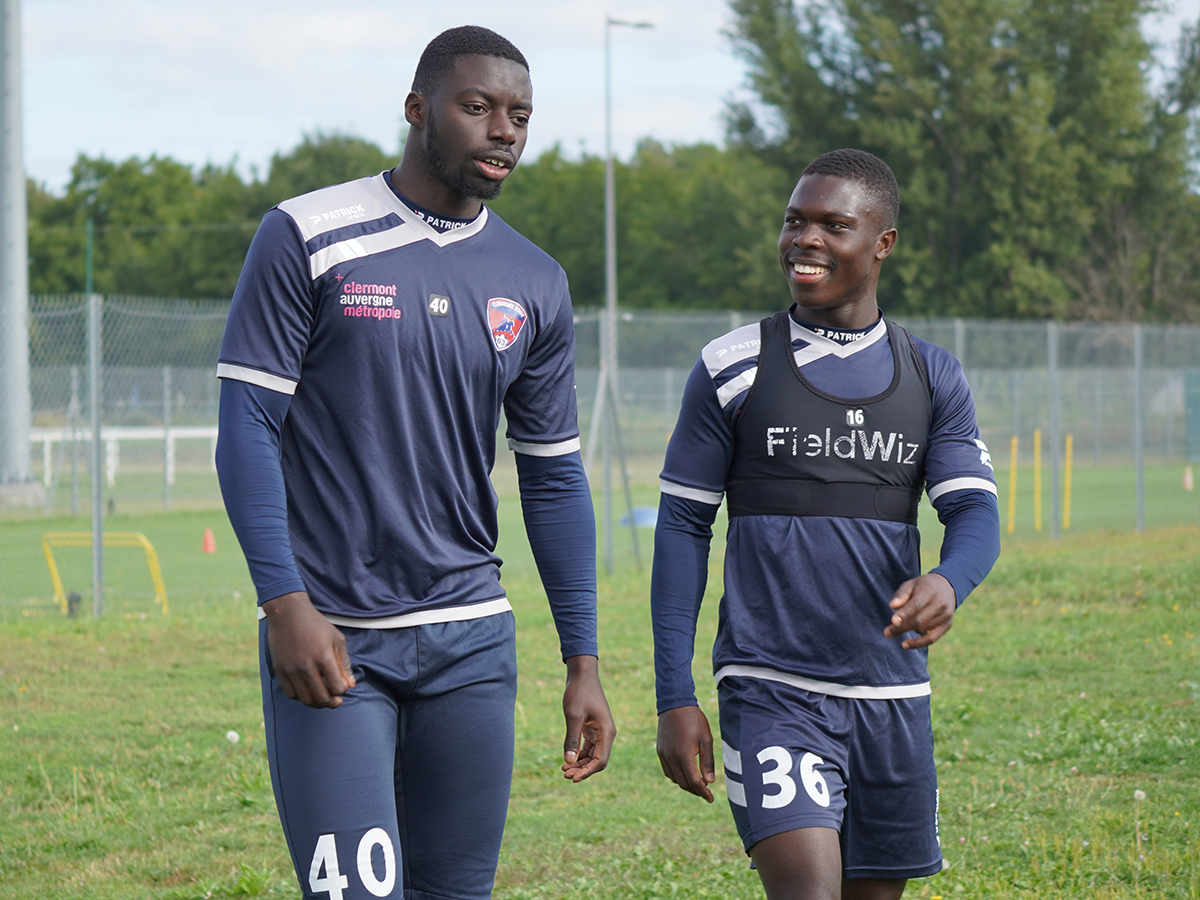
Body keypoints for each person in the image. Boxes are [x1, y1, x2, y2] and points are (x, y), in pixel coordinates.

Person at [215, 26, 615, 900]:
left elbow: (551, 475)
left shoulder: (535, 280)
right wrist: (284, 602)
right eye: (477, 108)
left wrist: (582, 660)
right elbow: (246, 424)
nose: (503, 130)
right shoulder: (307, 235)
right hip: (334, 638)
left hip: (471, 641)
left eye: (519, 115)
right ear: (417, 109)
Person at [651, 149, 1000, 900]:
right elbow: (682, 530)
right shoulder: (734, 366)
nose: (804, 239)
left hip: (890, 696)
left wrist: (950, 578)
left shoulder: (932, 375)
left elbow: (973, 510)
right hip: (771, 687)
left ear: (883, 244)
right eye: (794, 221)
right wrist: (673, 695)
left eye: (832, 225)